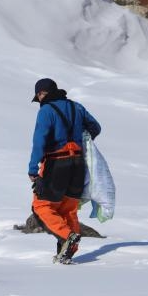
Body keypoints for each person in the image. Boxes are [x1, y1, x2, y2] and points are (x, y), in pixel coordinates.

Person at [28, 78, 101, 263]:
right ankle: (68, 251)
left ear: (41, 93)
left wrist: (32, 168)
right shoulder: (77, 107)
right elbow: (95, 127)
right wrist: (80, 139)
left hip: (56, 163)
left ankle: (67, 236)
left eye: (38, 96)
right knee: (68, 209)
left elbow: (39, 141)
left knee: (41, 206)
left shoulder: (46, 111)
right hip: (78, 164)